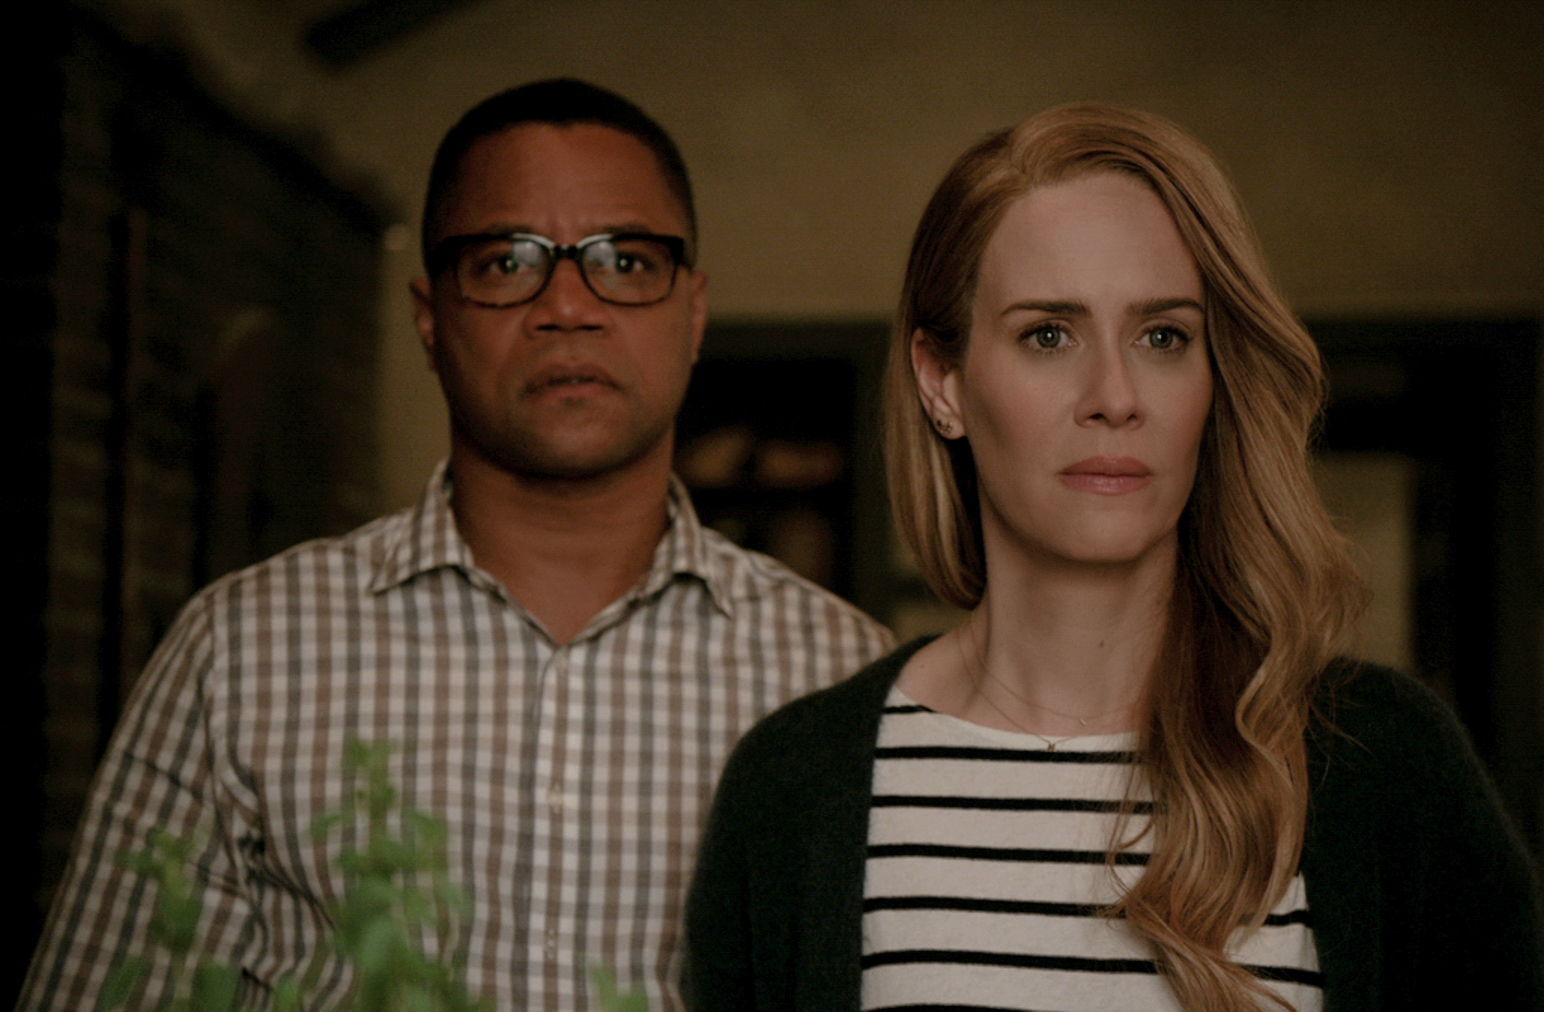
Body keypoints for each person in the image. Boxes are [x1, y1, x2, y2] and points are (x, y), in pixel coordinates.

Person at [20, 79, 891, 1012]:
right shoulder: (242, 648)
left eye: (628, 261)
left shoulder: (840, 674)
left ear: (694, 312)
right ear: (430, 317)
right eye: (507, 261)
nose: (569, 306)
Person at [681, 103, 1544, 1012]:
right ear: (943, 382)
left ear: (1213, 378)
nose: (1115, 395)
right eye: (1048, 335)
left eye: (1163, 336)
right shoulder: (794, 787)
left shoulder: (1382, 761)